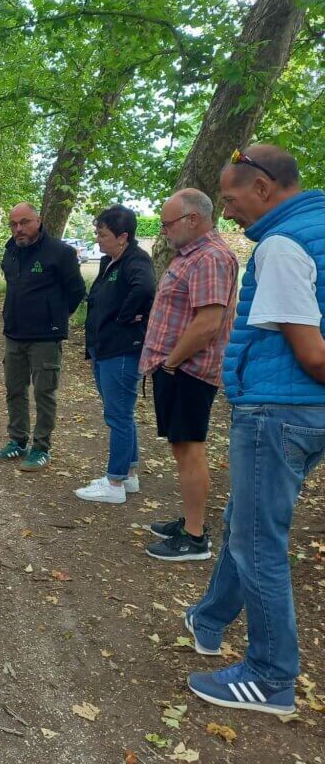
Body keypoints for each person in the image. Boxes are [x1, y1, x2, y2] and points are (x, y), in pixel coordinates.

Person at [184, 146, 325, 716]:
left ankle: (270, 677)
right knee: (244, 520)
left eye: (230, 197)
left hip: (277, 411)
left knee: (257, 541)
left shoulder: (282, 245)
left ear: (263, 188)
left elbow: (312, 353)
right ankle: (210, 616)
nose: (228, 210)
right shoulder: (316, 229)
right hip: (305, 412)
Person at [141, 188, 239, 562]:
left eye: (168, 224)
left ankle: (195, 537)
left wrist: (171, 362)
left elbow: (208, 323)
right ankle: (189, 522)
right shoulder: (192, 256)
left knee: (190, 448)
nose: (164, 230)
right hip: (177, 368)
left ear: (193, 219)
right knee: (182, 447)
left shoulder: (211, 257)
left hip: (188, 370)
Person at [0, 203, 87, 471]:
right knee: (15, 390)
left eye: (24, 222)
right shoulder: (11, 251)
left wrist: (55, 317)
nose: (18, 229)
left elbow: (77, 291)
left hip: (45, 337)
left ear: (39, 221)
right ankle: (17, 441)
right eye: (13, 224)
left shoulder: (60, 253)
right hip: (14, 334)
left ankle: (41, 448)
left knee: (44, 393)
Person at [74, 205, 155, 503]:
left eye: (102, 234)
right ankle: (129, 474)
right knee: (120, 413)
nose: (97, 239)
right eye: (97, 233)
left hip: (121, 351)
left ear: (123, 237)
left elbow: (145, 289)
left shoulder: (136, 260)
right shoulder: (111, 261)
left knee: (118, 416)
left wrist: (125, 317)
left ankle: (114, 483)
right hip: (104, 348)